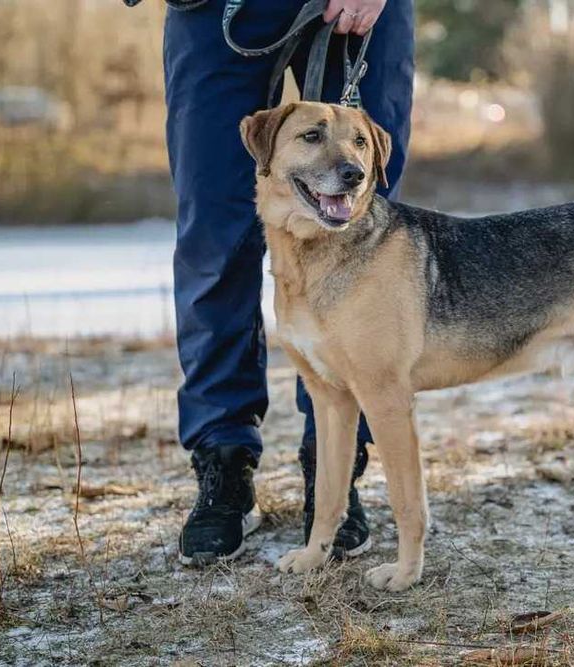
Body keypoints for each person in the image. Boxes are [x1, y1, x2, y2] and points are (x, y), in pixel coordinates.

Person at [125, 0, 414, 565]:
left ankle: (332, 472)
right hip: (214, 9)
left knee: (355, 222)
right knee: (214, 231)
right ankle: (223, 460)